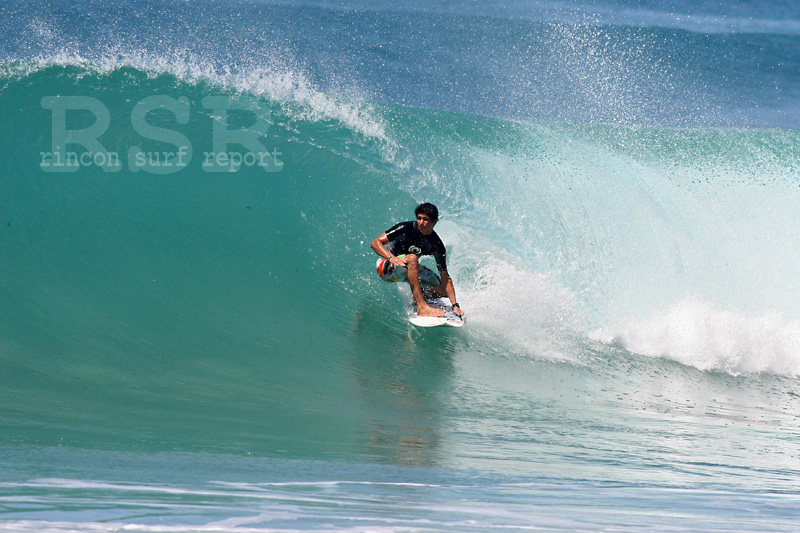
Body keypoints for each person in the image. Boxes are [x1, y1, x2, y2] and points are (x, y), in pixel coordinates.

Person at [371, 203, 465, 318]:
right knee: (412, 258)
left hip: (408, 269)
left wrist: (455, 305)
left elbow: (446, 279)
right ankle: (422, 307)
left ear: (434, 222)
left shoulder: (436, 245)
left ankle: (420, 297)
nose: (421, 222)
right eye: (419, 218)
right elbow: (375, 243)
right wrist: (391, 257)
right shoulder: (405, 228)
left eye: (425, 219)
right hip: (387, 267)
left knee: (442, 287)